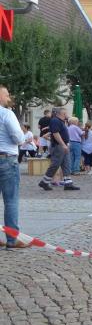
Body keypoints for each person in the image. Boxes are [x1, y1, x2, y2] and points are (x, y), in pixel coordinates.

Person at [0, 86, 25, 248]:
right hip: (6, 158)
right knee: (10, 200)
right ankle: (12, 239)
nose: (9, 98)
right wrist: (22, 137)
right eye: (7, 95)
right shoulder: (7, 114)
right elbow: (18, 138)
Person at [39, 107, 79, 191]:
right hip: (58, 146)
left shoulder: (61, 121)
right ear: (61, 113)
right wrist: (63, 145)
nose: (67, 114)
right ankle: (44, 182)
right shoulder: (55, 121)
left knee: (66, 164)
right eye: (65, 113)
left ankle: (68, 183)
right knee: (55, 164)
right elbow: (55, 133)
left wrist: (65, 145)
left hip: (63, 145)